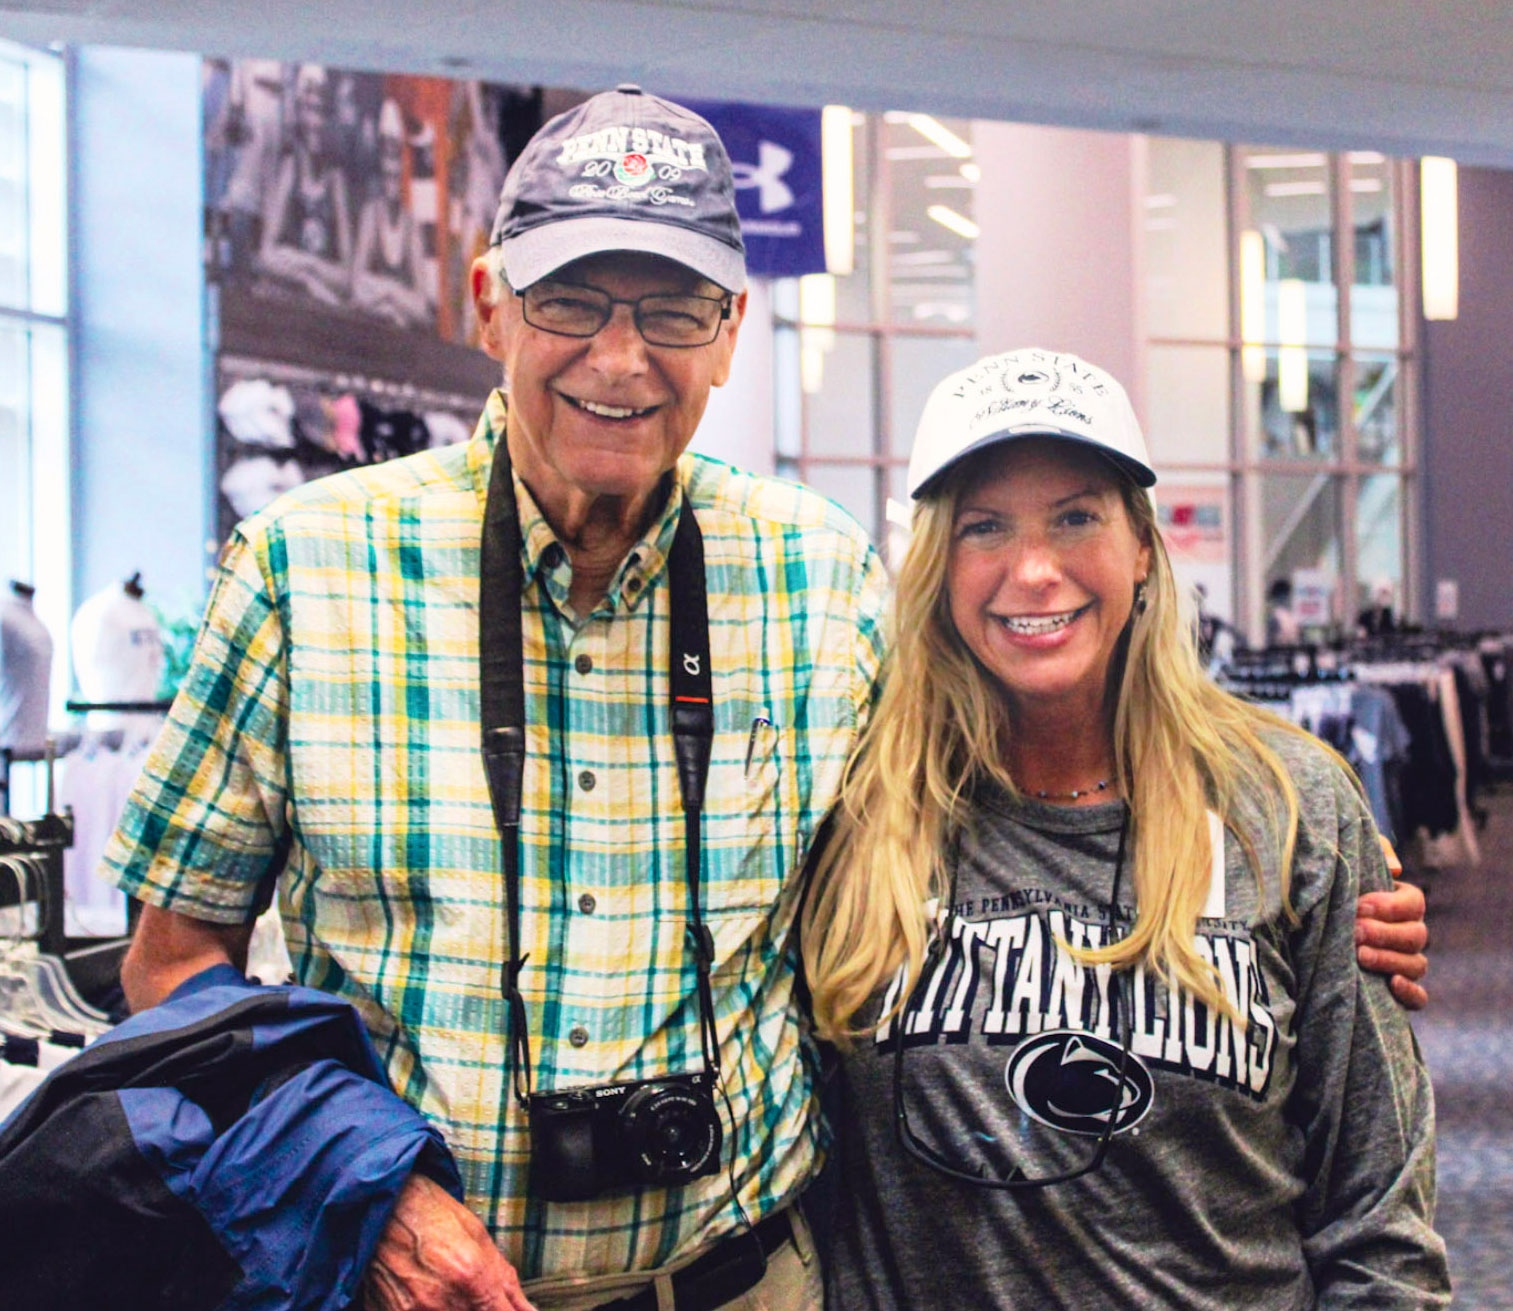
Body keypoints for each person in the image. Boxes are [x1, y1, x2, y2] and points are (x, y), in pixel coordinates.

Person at [100, 90, 1429, 1311]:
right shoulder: (300, 568)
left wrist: (1322, 889)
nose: (619, 357)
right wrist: (356, 1172)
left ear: (730, 334)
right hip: (412, 1280)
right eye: (572, 298)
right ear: (487, 300)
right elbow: (170, 960)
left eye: (673, 308)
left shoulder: (819, 582)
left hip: (749, 1282)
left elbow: (1036, 745)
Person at [801, 348, 1450, 1308]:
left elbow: (1379, 1220)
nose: (1033, 568)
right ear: (937, 566)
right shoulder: (855, 805)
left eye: (1075, 516)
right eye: (985, 527)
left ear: (1141, 546)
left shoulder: (1288, 804)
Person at [257, 63, 354, 306]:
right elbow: (267, 255)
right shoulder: (291, 168)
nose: (315, 123)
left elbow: (347, 277)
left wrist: (309, 265)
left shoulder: (336, 181)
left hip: (324, 302)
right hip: (291, 297)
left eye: (320, 112)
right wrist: (306, 280)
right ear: (300, 114)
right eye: (309, 111)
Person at [351, 97, 431, 328]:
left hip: (402, 324)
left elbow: (421, 304)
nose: (391, 171)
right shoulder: (370, 213)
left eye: (396, 160)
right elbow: (356, 286)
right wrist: (389, 302)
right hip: (371, 322)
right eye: (387, 160)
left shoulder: (410, 224)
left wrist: (388, 293)